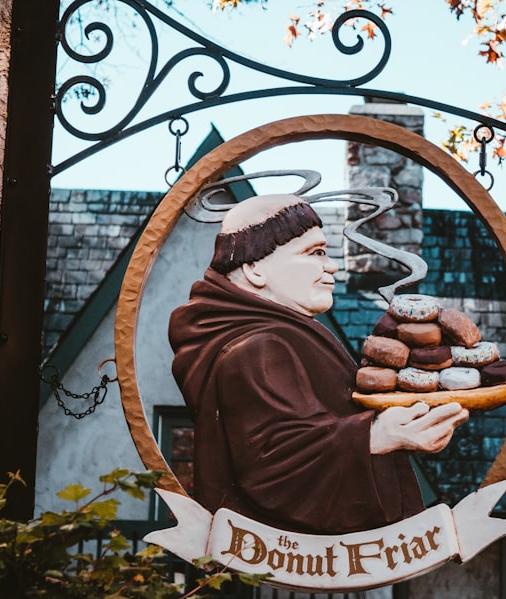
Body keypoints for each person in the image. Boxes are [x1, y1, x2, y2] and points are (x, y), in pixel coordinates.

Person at [168, 193, 469, 534]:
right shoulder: (258, 348)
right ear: (254, 269)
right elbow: (273, 466)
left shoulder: (278, 336)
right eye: (315, 253)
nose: (332, 266)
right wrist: (380, 435)